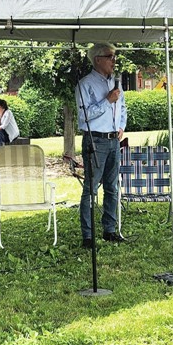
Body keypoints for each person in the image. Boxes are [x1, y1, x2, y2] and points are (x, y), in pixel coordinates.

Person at [74, 42, 127, 248]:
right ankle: (88, 236)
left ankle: (109, 230)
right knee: (91, 189)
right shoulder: (85, 84)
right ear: (97, 60)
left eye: (114, 56)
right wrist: (107, 101)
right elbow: (83, 116)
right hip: (95, 140)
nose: (114, 60)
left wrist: (121, 125)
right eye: (110, 56)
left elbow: (123, 107)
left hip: (114, 140)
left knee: (112, 187)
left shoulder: (115, 82)